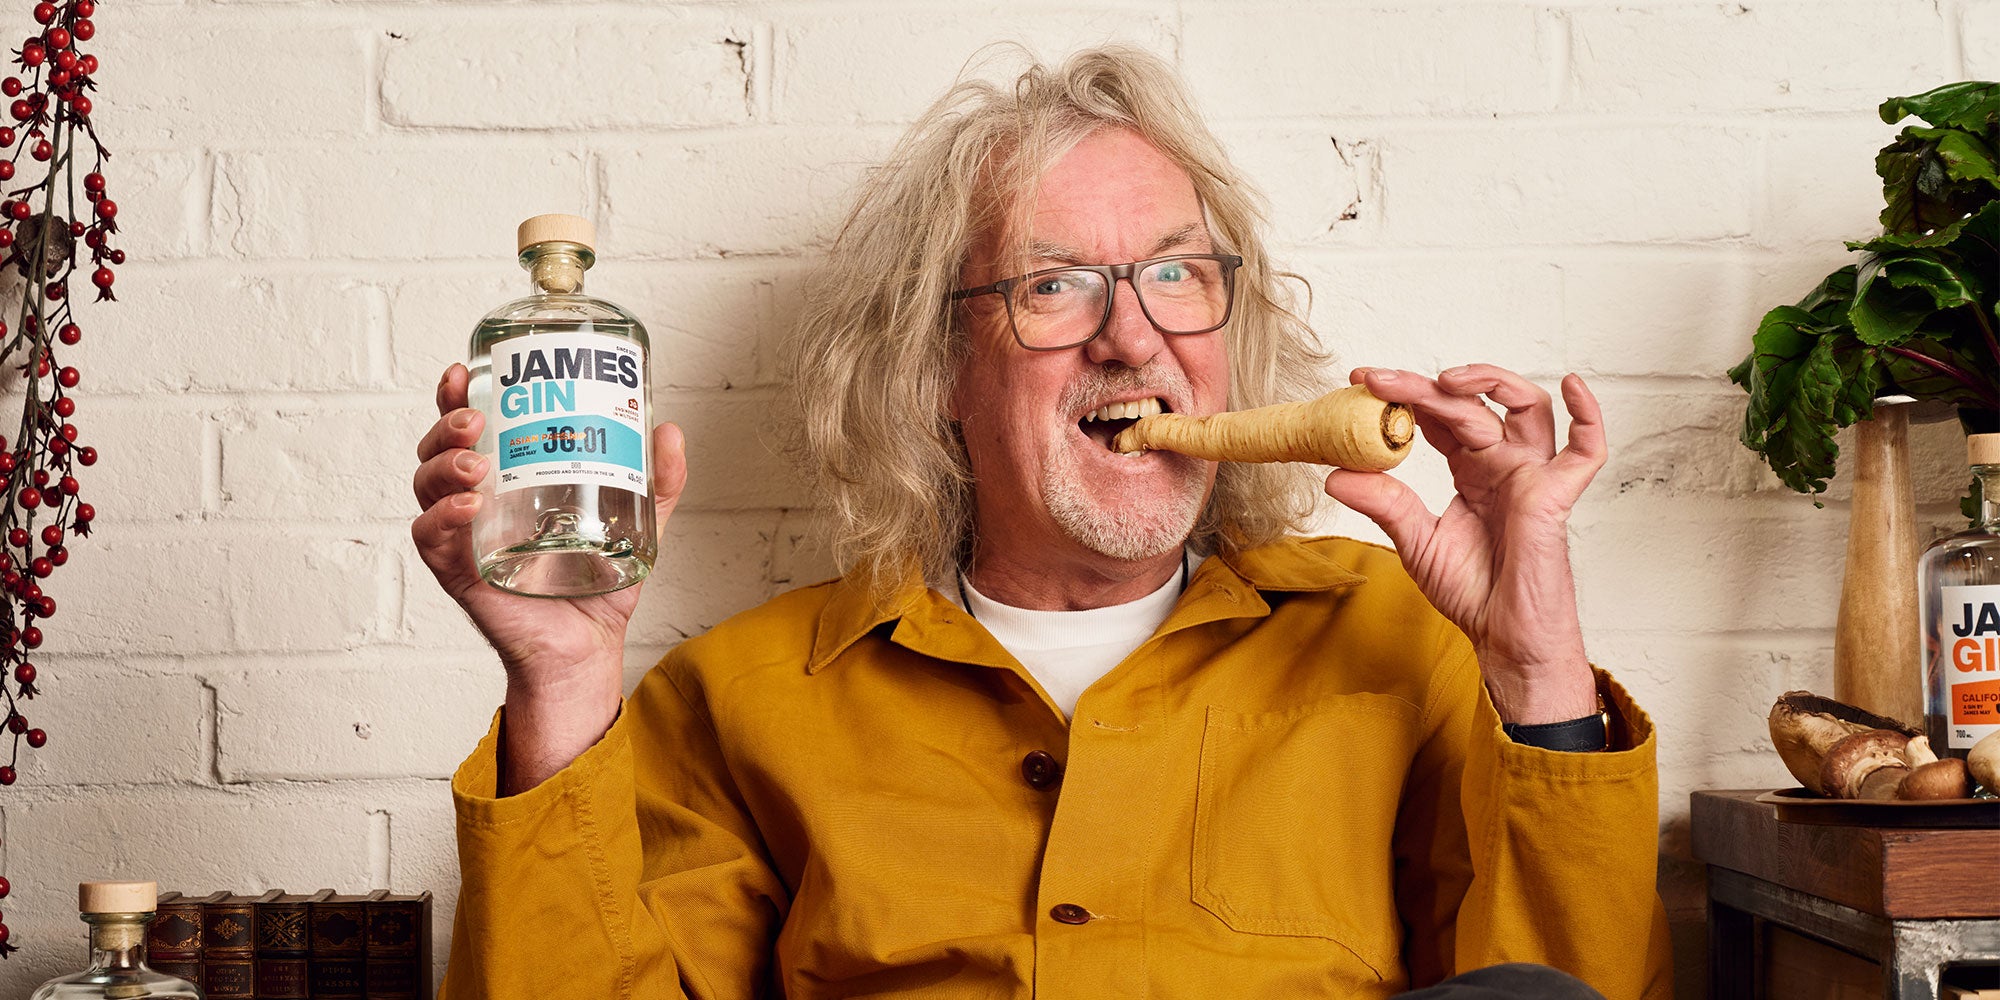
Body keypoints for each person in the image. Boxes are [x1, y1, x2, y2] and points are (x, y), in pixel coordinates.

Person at [412, 47, 1672, 999]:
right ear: (934, 373)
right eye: (1052, 285)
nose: (1135, 336)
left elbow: (1568, 989)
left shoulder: (1399, 640)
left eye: (1177, 273)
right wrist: (562, 682)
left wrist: (1536, 667)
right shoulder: (737, 703)